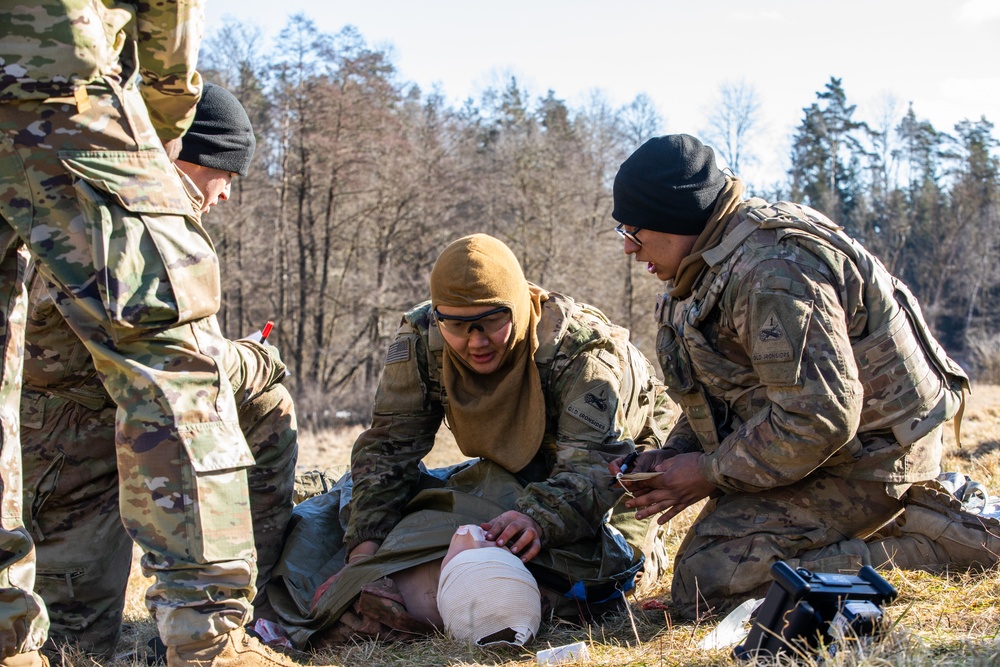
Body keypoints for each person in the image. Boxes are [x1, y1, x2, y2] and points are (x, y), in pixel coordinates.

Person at [0, 5, 304, 666]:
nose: (225, 195)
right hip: (59, 83)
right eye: (224, 171)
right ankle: (212, 636)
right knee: (184, 353)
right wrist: (152, 132)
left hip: (64, 457)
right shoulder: (94, 176)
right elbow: (159, 351)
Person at [608, 134, 996, 620]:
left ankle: (936, 538)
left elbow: (820, 416)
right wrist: (678, 456)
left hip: (874, 454)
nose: (628, 247)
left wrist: (707, 472)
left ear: (676, 217)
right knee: (704, 575)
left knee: (713, 578)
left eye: (635, 230)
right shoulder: (700, 268)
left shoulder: (772, 272)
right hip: (819, 447)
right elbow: (726, 392)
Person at [262, 233, 677, 647]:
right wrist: (363, 558)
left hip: (621, 456)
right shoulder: (423, 337)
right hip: (510, 464)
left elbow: (590, 466)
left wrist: (537, 518)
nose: (476, 341)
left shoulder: (580, 351)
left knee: (606, 564)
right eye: (458, 326)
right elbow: (389, 450)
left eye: (492, 321)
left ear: (517, 305)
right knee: (352, 511)